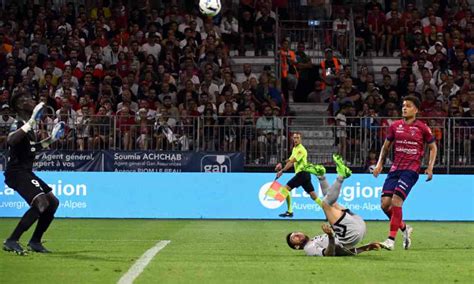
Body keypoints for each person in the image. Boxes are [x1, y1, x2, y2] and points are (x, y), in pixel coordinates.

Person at [3, 90, 65, 255]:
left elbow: (31, 148)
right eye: (27, 98)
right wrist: (30, 122)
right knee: (41, 203)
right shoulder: (19, 124)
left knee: (53, 202)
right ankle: (11, 240)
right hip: (16, 173)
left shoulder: (28, 127)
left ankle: (35, 241)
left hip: (26, 172)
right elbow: (10, 140)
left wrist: (51, 139)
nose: (32, 100)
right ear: (19, 105)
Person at [373, 95, 437, 250]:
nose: (404, 108)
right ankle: (404, 228)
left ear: (415, 109)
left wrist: (430, 167)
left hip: (411, 169)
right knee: (384, 205)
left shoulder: (422, 127)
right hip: (395, 169)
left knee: (396, 201)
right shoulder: (395, 126)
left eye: (408, 106)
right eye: (403, 105)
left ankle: (390, 240)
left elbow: (433, 147)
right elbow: (386, 146)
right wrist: (379, 164)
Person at [286, 154, 381, 256]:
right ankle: (340, 176)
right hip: (351, 232)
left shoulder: (314, 240)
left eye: (295, 233)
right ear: (296, 246)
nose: (297, 234)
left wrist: (366, 248)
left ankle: (321, 176)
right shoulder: (309, 249)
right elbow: (329, 254)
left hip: (356, 227)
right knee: (326, 204)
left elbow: (341, 251)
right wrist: (330, 236)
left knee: (331, 203)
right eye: (294, 237)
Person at [274, 132, 326, 218]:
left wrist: (282, 171)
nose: (296, 140)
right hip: (305, 175)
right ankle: (328, 212)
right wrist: (281, 163)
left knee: (285, 189)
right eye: (294, 138)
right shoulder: (295, 149)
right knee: (313, 196)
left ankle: (290, 211)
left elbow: (292, 161)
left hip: (302, 174)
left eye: (297, 138)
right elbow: (289, 159)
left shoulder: (301, 149)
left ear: (301, 139)